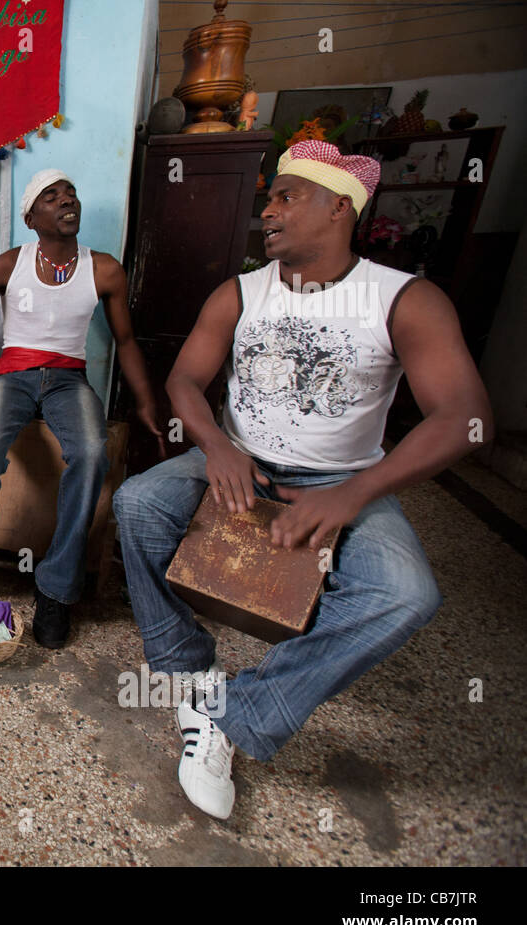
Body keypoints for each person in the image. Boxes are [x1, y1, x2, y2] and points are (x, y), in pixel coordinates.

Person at [112, 140, 493, 819]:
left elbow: (465, 417)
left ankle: (234, 716)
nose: (269, 210)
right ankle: (189, 671)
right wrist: (215, 445)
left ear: (339, 207)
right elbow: (185, 380)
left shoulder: (404, 298)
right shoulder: (239, 293)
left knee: (405, 594)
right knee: (138, 502)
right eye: (268, 198)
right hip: (239, 458)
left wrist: (352, 494)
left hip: (346, 476)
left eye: (286, 195)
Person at [0, 170, 162, 648]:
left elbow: (126, 340)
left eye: (71, 193)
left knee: (93, 454)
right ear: (32, 217)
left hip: (68, 380)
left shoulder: (104, 269)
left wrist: (145, 403)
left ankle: (55, 589)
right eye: (51, 197)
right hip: (11, 376)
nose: (66, 201)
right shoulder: (9, 264)